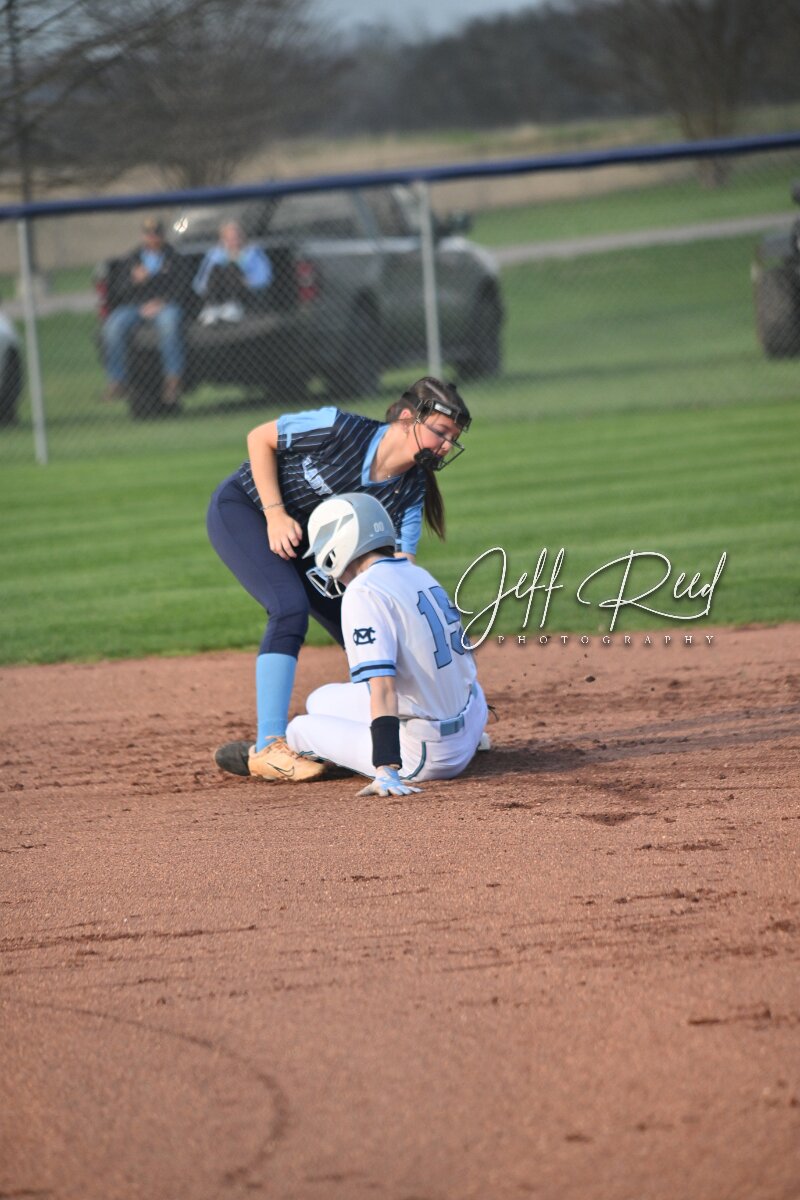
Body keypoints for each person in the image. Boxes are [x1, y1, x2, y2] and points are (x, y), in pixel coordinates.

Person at [208, 376, 472, 783]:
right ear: (407, 419)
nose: (446, 445)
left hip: (313, 544)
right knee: (288, 607)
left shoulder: (410, 489)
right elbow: (259, 438)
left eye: (453, 438)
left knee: (365, 626)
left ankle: (416, 722)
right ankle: (268, 746)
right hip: (249, 509)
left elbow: (398, 576)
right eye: (441, 432)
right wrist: (275, 514)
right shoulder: (339, 428)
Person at [286, 492, 489, 796]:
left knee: (299, 729)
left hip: (428, 754)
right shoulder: (418, 573)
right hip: (473, 718)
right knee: (319, 700)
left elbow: (382, 686)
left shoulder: (363, 591)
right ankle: (472, 739)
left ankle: (383, 759)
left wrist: (386, 768)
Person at [102, 216, 186, 406]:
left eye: (156, 234)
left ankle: (173, 380)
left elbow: (182, 288)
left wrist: (161, 301)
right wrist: (134, 281)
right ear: (143, 236)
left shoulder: (174, 258)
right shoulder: (132, 259)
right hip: (136, 307)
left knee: (169, 324)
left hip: (165, 306)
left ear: (162, 236)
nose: (152, 237)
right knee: (113, 326)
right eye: (149, 234)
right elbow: (119, 290)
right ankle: (118, 381)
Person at [192, 218, 272, 324]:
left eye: (235, 238)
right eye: (228, 239)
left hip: (245, 291)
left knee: (232, 266)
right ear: (222, 240)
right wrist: (204, 289)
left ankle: (233, 305)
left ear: (242, 238)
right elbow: (202, 278)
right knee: (216, 268)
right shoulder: (214, 254)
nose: (232, 242)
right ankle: (212, 306)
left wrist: (249, 281)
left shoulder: (253, 253)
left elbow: (265, 277)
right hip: (218, 291)